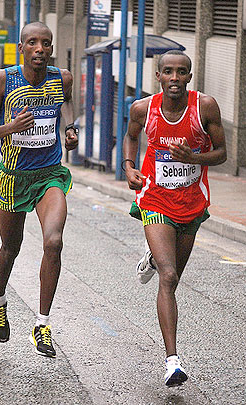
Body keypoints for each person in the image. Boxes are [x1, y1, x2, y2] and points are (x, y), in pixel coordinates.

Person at [123, 50, 226, 386]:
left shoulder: (205, 107)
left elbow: (222, 153)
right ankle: (172, 362)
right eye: (168, 72)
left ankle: (155, 256)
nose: (175, 78)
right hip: (154, 198)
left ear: (189, 77)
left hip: (191, 203)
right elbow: (131, 137)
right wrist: (129, 167)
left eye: (181, 72)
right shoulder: (143, 109)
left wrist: (193, 156)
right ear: (158, 76)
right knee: (168, 278)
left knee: (173, 275)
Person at [0, 21, 78, 357]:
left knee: (54, 241)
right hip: (13, 177)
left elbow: (67, 105)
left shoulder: (60, 78)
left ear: (51, 49)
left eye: (45, 43)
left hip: (49, 174)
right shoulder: (4, 80)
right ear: (21, 47)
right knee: (11, 248)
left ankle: (42, 324)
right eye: (32, 43)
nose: (39, 49)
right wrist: (12, 126)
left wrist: (71, 129)